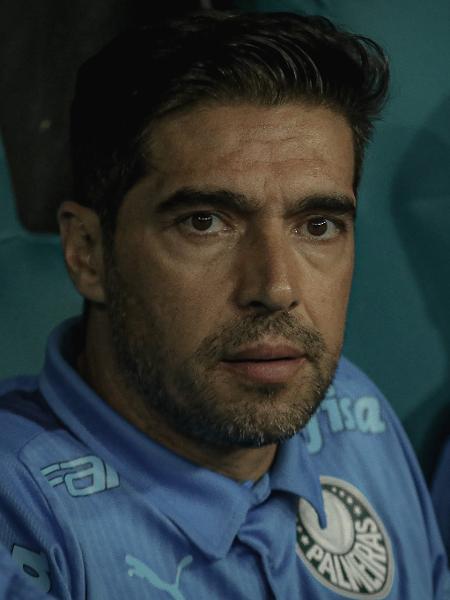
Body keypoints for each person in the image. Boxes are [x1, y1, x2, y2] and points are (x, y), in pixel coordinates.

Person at [0, 10, 447, 599]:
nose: (277, 287)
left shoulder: (355, 413)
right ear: (88, 253)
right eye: (205, 222)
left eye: (318, 225)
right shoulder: (20, 512)